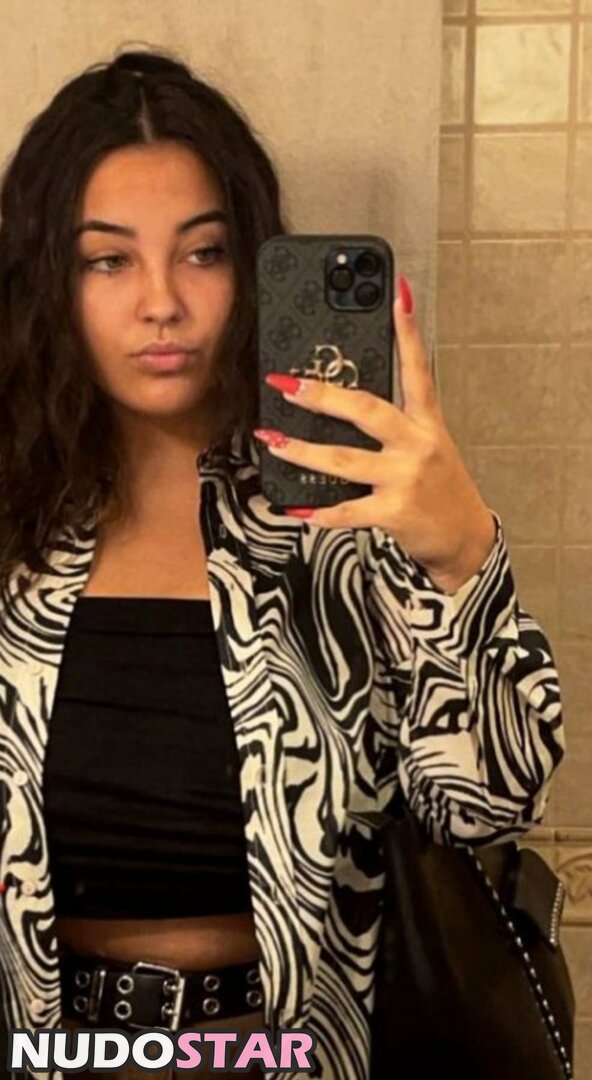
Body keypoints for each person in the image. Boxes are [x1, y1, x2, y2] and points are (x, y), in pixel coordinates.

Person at [0, 47, 564, 1080]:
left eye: (204, 252)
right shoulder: (14, 536)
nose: (161, 302)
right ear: (48, 279)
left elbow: (489, 802)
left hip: (292, 1051)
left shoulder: (344, 513)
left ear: (255, 267)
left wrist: (461, 555)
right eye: (107, 261)